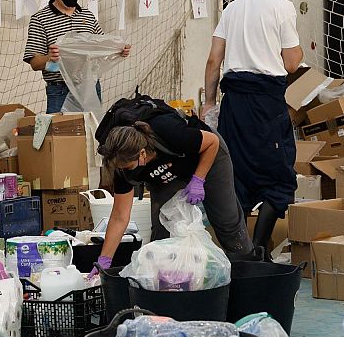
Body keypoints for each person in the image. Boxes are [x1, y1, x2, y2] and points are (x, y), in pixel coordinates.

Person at [203, 0, 305, 253]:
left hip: (232, 104)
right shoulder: (282, 8)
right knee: (281, 177)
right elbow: (290, 63)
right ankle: (258, 250)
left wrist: (209, 103)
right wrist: (297, 54)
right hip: (266, 104)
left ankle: (239, 251)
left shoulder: (232, 7)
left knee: (237, 175)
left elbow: (213, 61)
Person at [90, 104, 256, 275]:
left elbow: (211, 143)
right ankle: (166, 282)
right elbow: (119, 216)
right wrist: (104, 260)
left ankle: (248, 273)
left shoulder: (169, 132)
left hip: (206, 155)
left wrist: (198, 180)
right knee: (163, 228)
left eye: (129, 167)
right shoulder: (121, 165)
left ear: (142, 153)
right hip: (165, 174)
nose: (125, 171)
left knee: (226, 221)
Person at [23, 0, 130, 114]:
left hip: (89, 87)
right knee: (61, 134)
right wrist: (50, 58)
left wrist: (118, 50)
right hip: (59, 90)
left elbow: (100, 46)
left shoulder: (87, 16)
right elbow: (34, 62)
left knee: (92, 132)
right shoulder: (39, 19)